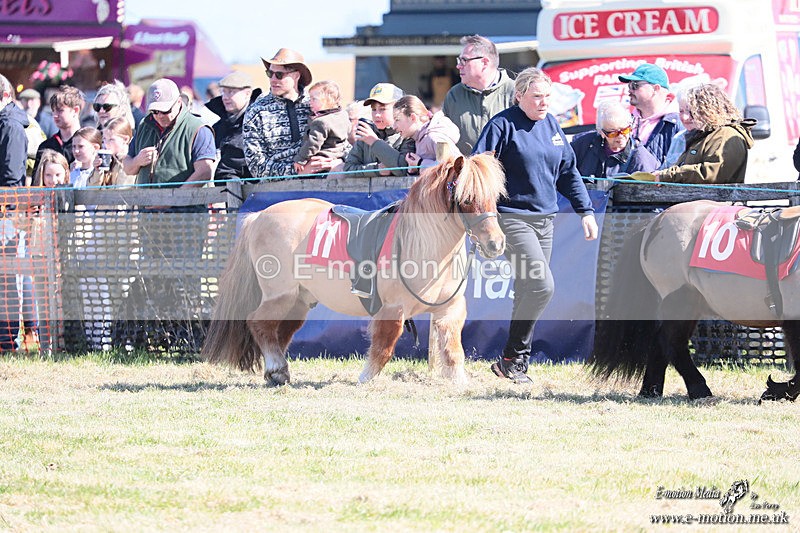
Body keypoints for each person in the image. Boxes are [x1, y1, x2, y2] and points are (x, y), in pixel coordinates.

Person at [472, 67, 599, 384]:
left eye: (547, 97)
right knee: (542, 286)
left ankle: (512, 363)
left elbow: (568, 172)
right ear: (519, 96)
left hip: (545, 219)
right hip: (511, 219)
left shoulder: (553, 125)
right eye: (537, 97)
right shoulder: (502, 124)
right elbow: (479, 166)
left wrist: (585, 210)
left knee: (529, 289)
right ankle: (514, 358)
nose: (544, 103)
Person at [654, 83, 754, 184]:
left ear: (709, 110)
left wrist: (667, 176)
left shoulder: (725, 135)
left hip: (710, 199)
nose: (684, 117)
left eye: (692, 112)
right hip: (689, 197)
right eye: (681, 111)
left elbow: (712, 173)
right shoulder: (699, 136)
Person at [123, 78, 215, 187]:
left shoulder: (198, 129)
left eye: (165, 111)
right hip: (145, 202)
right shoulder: (144, 125)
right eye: (155, 111)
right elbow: (127, 168)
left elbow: (204, 173)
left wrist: (170, 201)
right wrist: (137, 161)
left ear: (179, 102)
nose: (160, 116)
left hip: (186, 203)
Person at [0, 74, 32, 351]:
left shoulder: (10, 125)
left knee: (8, 279)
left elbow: (11, 176)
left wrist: (7, 214)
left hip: (6, 212)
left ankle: (8, 339)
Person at [442, 35, 516, 155]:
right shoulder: (453, 96)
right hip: (466, 173)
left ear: (484, 62)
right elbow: (443, 139)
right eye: (459, 60)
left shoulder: (516, 93)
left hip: (507, 173)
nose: (458, 66)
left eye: (464, 60)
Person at [341, 83, 415, 178]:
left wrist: (374, 142)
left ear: (398, 110)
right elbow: (347, 169)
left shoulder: (407, 135)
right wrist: (376, 169)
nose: (377, 115)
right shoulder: (366, 134)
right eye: (374, 109)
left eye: (382, 109)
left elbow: (404, 169)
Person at [570, 100, 659, 179]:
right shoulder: (582, 145)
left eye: (625, 130)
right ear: (602, 133)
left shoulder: (642, 159)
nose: (620, 136)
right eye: (613, 133)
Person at [618, 63, 683, 166]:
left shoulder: (679, 123)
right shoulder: (625, 121)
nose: (629, 90)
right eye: (629, 85)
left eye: (635, 85)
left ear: (656, 89)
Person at [205, 70, 262, 184]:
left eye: (231, 92)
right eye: (223, 92)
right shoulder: (217, 127)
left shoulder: (260, 124)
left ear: (247, 94)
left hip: (253, 193)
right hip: (217, 193)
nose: (225, 97)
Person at [293, 80, 350, 173]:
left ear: (328, 100)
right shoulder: (343, 115)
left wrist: (300, 159)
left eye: (313, 99)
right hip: (337, 157)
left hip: (320, 161)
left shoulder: (321, 122)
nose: (309, 102)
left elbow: (312, 144)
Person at [391, 95, 460, 172]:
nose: (394, 127)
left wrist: (420, 164)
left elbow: (449, 165)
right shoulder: (419, 138)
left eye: (397, 120)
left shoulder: (435, 137)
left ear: (412, 117)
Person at [34, 85, 84, 169]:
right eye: (53, 111)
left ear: (76, 110)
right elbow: (37, 180)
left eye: (60, 110)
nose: (55, 115)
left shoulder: (88, 143)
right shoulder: (46, 147)